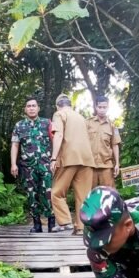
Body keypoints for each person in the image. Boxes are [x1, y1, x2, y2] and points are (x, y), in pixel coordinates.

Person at [49, 94, 95, 234]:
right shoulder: (81, 117)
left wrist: (53, 157)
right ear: (70, 105)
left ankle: (65, 221)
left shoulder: (59, 114)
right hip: (87, 158)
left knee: (56, 192)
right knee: (83, 195)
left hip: (69, 157)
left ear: (57, 105)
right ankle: (82, 228)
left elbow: (59, 135)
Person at [10, 96, 55, 233]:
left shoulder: (47, 123)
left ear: (38, 108)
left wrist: (55, 159)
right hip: (28, 166)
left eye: (33, 106)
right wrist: (13, 164)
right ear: (25, 109)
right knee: (31, 194)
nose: (31, 108)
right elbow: (15, 145)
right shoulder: (19, 125)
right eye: (28, 106)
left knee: (48, 193)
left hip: (45, 165)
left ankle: (52, 224)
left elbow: (56, 141)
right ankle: (37, 225)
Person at [86, 94, 121, 187]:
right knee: (90, 194)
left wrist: (117, 164)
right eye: (100, 107)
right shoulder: (88, 123)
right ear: (95, 107)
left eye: (104, 107)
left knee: (109, 193)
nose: (102, 110)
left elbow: (115, 144)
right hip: (90, 165)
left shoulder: (112, 125)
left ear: (108, 107)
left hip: (106, 166)